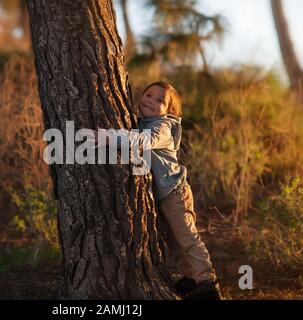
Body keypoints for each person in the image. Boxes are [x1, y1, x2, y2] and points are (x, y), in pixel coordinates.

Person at [92, 82, 222, 300]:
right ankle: (190, 277)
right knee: (173, 240)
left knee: (187, 238)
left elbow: (144, 142)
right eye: (148, 94)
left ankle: (207, 282)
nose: (151, 100)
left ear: (169, 111)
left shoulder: (162, 127)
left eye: (160, 100)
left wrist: (110, 137)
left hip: (175, 193)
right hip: (164, 197)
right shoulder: (143, 123)